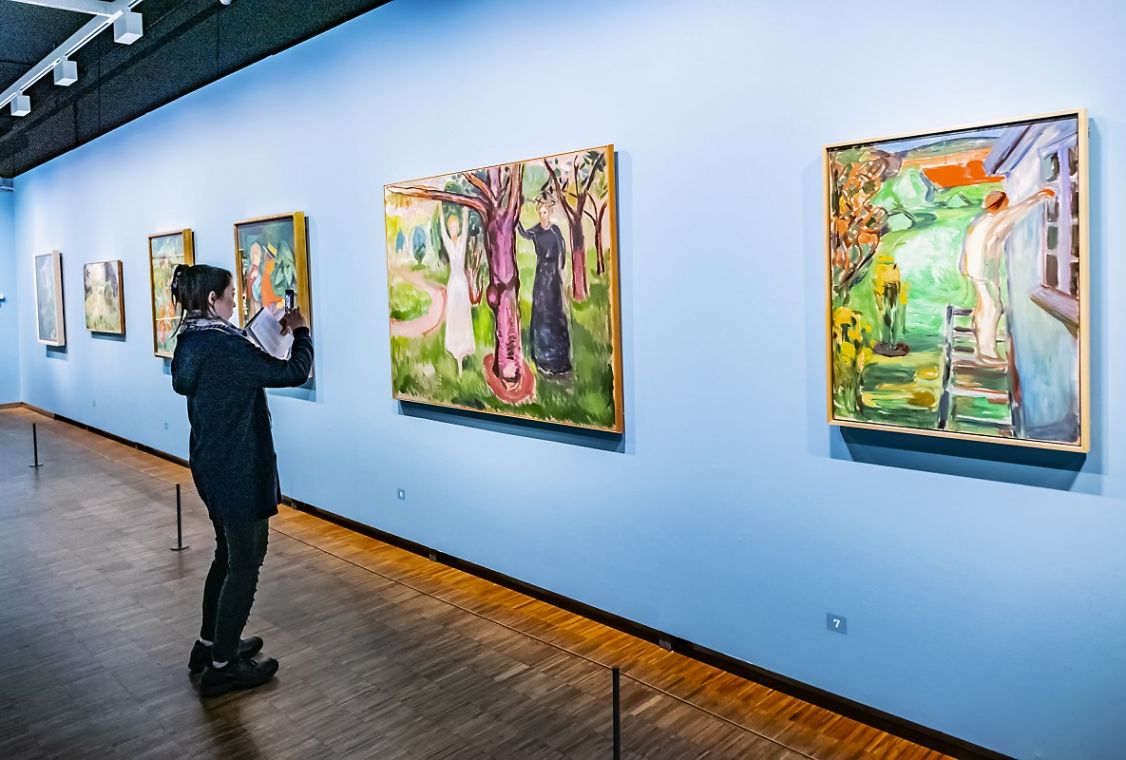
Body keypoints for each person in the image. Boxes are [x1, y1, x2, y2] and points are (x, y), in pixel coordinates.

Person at [170, 263, 314, 698]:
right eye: (230, 295)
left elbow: (237, 371)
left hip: (213, 466)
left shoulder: (193, 340)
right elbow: (293, 372)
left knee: (226, 555)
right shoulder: (224, 346)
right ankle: (224, 666)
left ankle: (212, 644)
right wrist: (301, 332)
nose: (235, 302)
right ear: (211, 299)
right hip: (239, 469)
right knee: (246, 561)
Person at [959, 187, 1054, 363]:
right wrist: (1039, 196)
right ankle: (986, 353)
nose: (1008, 205)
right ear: (1000, 205)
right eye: (1005, 203)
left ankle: (984, 350)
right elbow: (1020, 209)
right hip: (984, 272)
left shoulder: (980, 221)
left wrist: (966, 268)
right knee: (992, 309)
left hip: (976, 270)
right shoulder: (997, 219)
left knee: (986, 308)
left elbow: (966, 247)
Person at [518, 200, 572, 375]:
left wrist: (561, 270)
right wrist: (515, 214)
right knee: (542, 314)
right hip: (541, 276)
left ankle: (559, 360)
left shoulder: (555, 230)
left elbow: (562, 250)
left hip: (554, 277)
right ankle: (543, 359)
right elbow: (523, 233)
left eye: (545, 212)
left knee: (556, 314)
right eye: (540, 213)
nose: (542, 216)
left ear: (550, 213)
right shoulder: (536, 230)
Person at [438, 207, 476, 373]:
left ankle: (464, 350)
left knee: (463, 317)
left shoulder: (462, 241)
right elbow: (442, 230)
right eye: (451, 227)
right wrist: (440, 211)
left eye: (455, 226)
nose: (453, 229)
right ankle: (456, 354)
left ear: (458, 227)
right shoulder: (448, 243)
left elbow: (466, 229)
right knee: (454, 316)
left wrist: (465, 214)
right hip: (453, 284)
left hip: (462, 284)